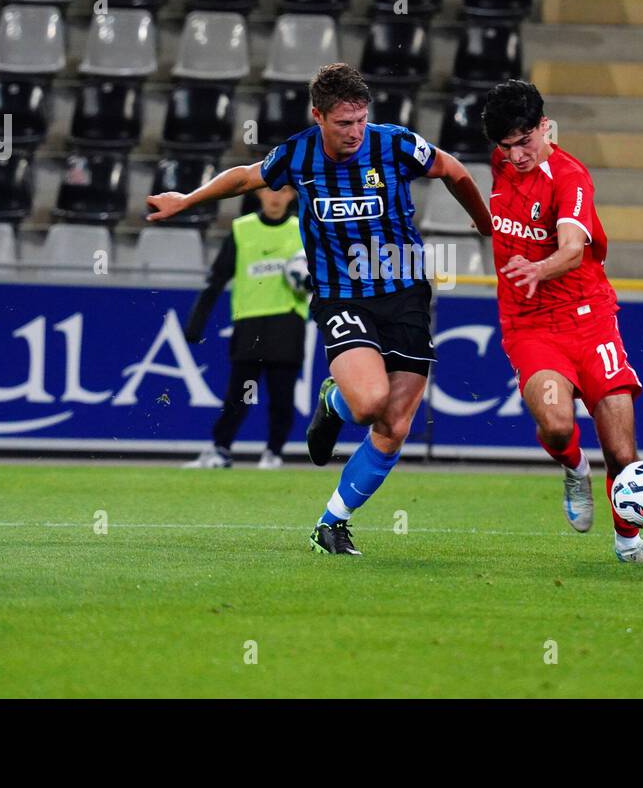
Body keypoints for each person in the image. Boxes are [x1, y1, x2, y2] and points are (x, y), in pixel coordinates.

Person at [147, 63, 492, 555]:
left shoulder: (394, 143)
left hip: (406, 291)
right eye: (342, 123)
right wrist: (187, 200)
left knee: (394, 425)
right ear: (318, 117)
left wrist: (484, 223)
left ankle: (331, 523)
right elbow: (245, 176)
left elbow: (453, 170)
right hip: (341, 293)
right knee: (370, 402)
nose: (354, 132)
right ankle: (335, 401)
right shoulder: (297, 156)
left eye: (360, 120)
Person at [482, 79, 643, 566]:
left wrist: (538, 268)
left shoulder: (570, 177)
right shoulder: (501, 164)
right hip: (529, 326)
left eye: (525, 142)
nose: (517, 156)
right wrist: (483, 220)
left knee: (623, 452)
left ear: (545, 127)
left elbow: (572, 248)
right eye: (506, 147)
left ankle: (629, 545)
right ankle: (573, 467)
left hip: (590, 322)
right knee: (555, 423)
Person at [184, 183, 310, 470]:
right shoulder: (243, 229)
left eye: (283, 191)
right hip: (249, 322)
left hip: (287, 321)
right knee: (238, 394)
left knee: (282, 396)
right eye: (270, 190)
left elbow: (321, 275)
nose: (276, 197)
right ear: (259, 193)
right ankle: (220, 450)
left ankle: (273, 453)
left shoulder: (302, 230)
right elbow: (217, 278)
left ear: (291, 194)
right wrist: (196, 322)